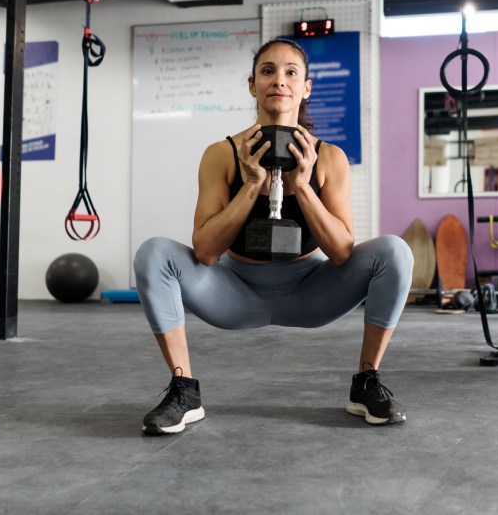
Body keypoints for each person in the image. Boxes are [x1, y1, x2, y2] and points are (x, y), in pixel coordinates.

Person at [133, 37, 414, 435]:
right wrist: (251, 186)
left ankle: (366, 383)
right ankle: (184, 390)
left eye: (290, 72)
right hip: (233, 293)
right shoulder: (221, 154)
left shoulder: (329, 157)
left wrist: (302, 186)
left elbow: (340, 252)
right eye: (267, 71)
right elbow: (207, 252)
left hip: (310, 293)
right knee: (153, 253)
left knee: (395, 251)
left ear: (306, 87)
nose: (278, 80)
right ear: (252, 85)